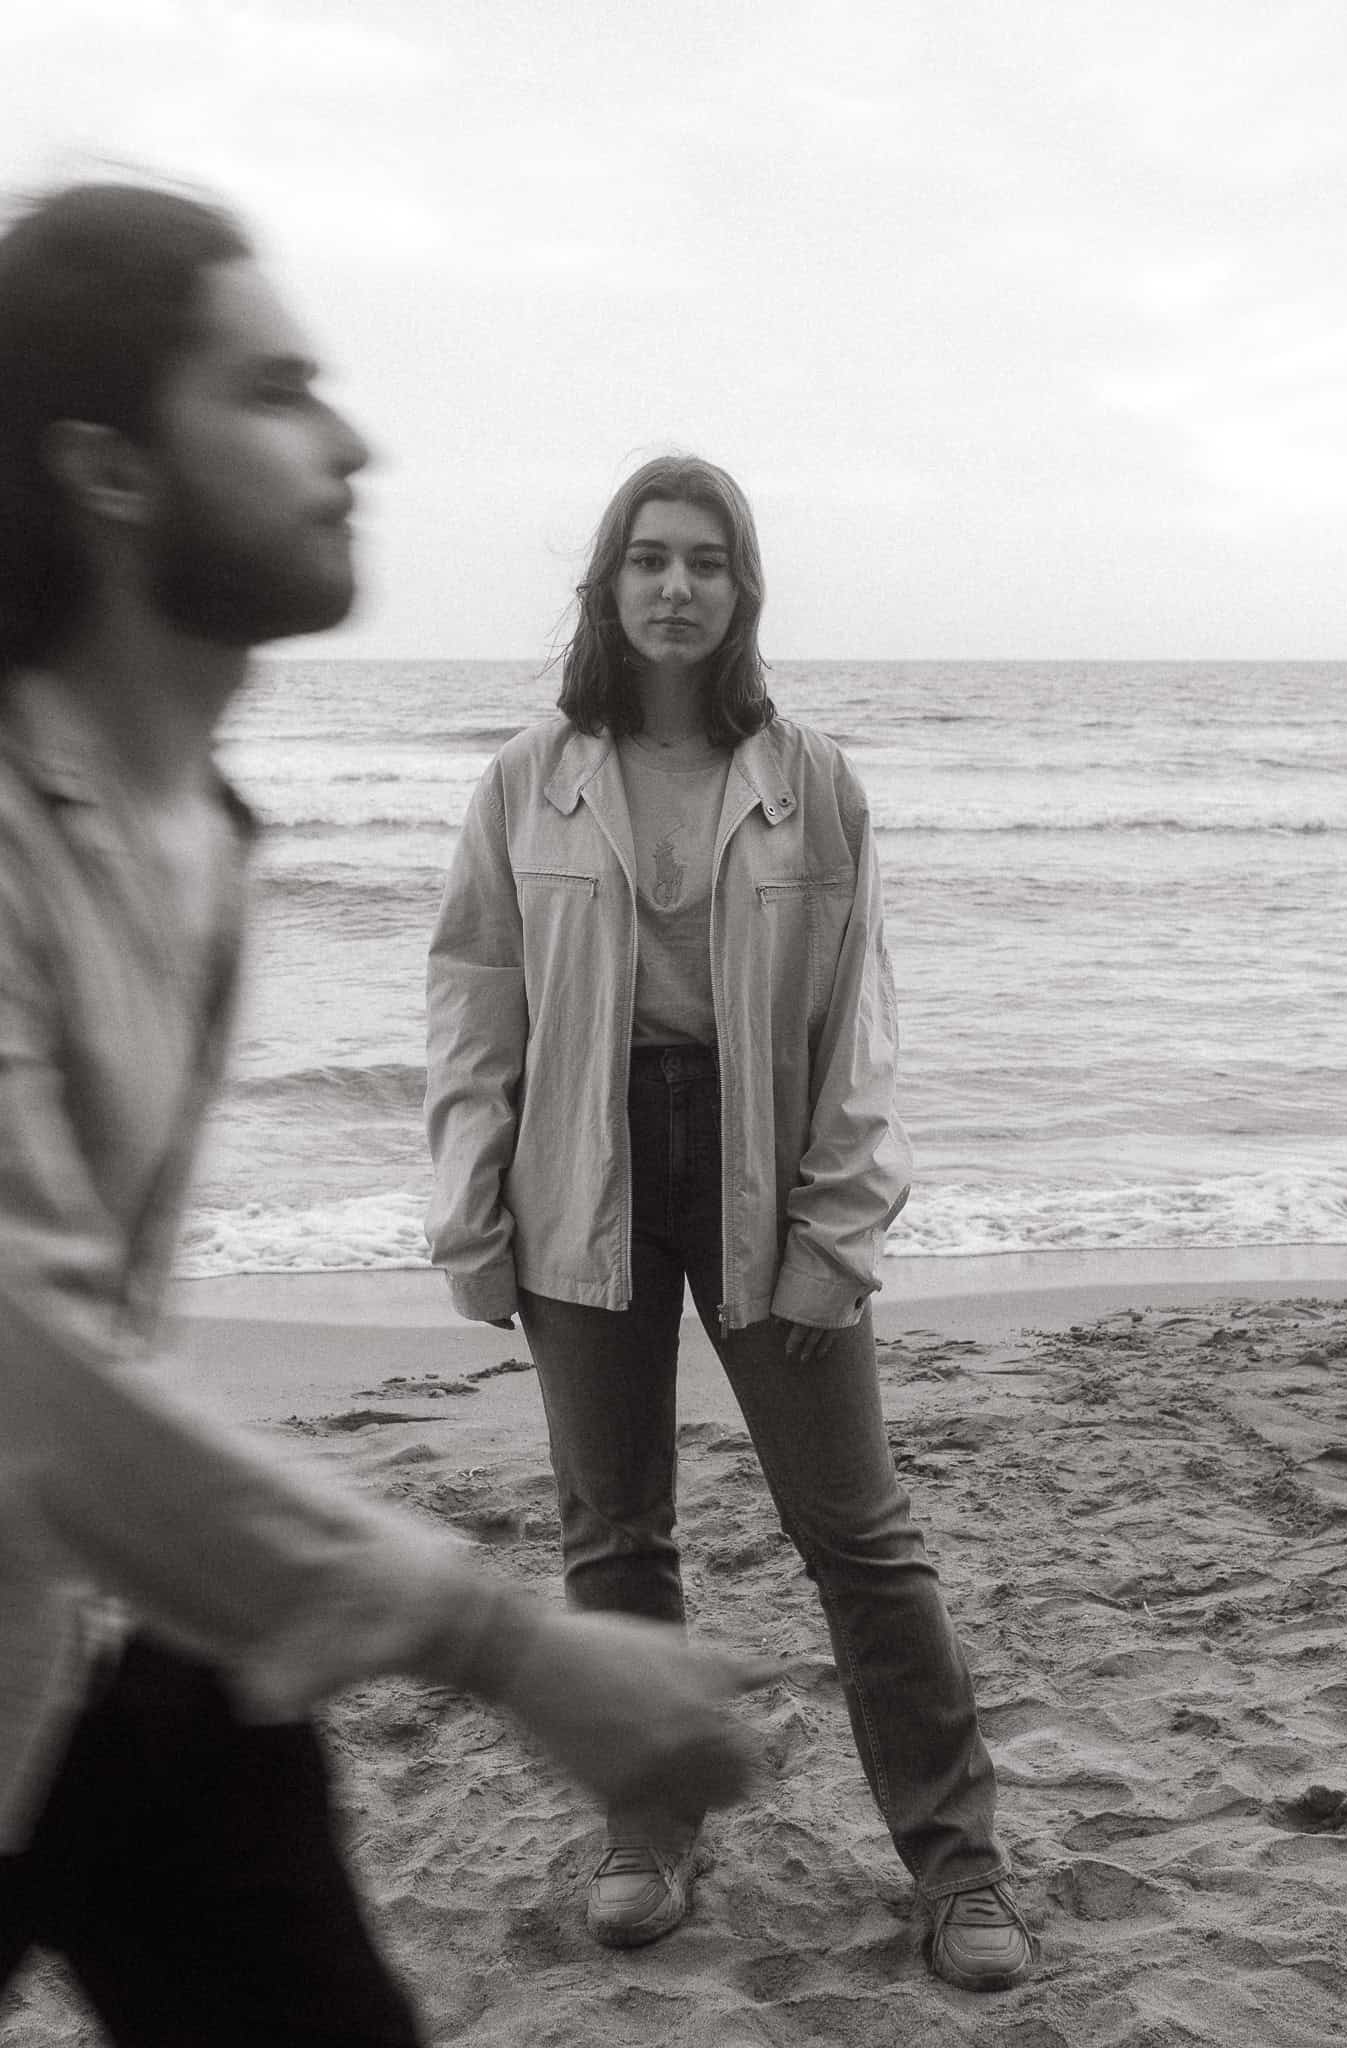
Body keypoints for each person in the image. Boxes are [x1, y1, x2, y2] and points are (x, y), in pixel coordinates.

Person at [0, 188, 767, 2048]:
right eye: (273, 392)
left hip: (97, 1635)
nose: (353, 441)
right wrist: (505, 1644)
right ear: (106, 469)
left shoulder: (202, 832)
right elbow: (23, 1369)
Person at [425, 455, 1035, 1991]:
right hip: (584, 1161)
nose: (676, 586)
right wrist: (470, 1209)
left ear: (739, 590)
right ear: (608, 585)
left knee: (861, 1538)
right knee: (611, 1533)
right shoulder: (527, 776)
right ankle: (649, 1832)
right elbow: (472, 1004)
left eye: (705, 561)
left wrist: (840, 1223)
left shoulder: (810, 776)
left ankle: (958, 1869)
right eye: (649, 560)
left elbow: (856, 1020)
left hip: (762, 1165)